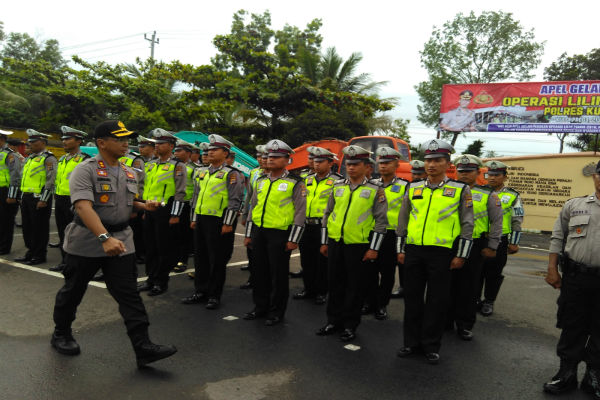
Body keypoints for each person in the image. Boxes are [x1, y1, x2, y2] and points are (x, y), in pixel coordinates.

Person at [50, 119, 177, 367]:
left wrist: (143, 205)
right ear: (101, 143)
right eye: (119, 139)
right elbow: (83, 207)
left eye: (126, 138)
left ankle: (143, 347)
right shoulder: (85, 170)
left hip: (121, 241)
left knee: (129, 295)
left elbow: (128, 202)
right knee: (73, 290)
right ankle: (61, 333)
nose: (125, 143)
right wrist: (104, 238)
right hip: (87, 241)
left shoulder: (129, 171)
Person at [396, 139, 473, 365]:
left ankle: (430, 345)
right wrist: (401, 249)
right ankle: (410, 343)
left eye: (437, 160)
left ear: (447, 163)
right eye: (428, 160)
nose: (431, 165)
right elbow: (403, 221)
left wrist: (462, 255)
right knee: (412, 299)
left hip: (442, 253)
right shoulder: (413, 187)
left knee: (437, 302)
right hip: (414, 251)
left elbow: (467, 224)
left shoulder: (460, 189)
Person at [316, 145, 387, 342]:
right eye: (349, 164)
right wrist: (325, 242)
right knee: (335, 284)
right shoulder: (337, 186)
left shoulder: (376, 190)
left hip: (359, 245)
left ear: (367, 167)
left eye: (356, 164)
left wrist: (374, 248)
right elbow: (327, 214)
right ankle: (333, 321)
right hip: (336, 242)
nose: (351, 167)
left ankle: (349, 325)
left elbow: (381, 221)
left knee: (355, 288)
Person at [543, 160, 600, 397]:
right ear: (595, 177)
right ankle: (566, 374)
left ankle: (593, 376)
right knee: (572, 325)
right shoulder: (574, 205)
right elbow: (558, 238)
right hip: (576, 278)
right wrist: (552, 268)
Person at [243, 139, 306, 326]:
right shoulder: (260, 181)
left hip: (280, 234)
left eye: (276, 157)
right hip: (259, 232)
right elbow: (253, 208)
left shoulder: (295, 182)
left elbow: (300, 212)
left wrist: (294, 239)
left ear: (287, 160)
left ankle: (277, 311)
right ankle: (260, 307)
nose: (270, 160)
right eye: (269, 156)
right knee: (259, 271)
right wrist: (248, 234)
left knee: (278, 275)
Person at [182, 134, 243, 309]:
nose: (210, 152)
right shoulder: (201, 171)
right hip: (201, 219)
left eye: (215, 150)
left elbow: (235, 200)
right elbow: (195, 196)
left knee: (217, 259)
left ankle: (214, 295)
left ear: (225, 153)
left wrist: (228, 223)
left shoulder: (232, 174)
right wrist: (194, 218)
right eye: (209, 150)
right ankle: (200, 291)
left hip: (219, 220)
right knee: (200, 258)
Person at [447, 154, 502, 341]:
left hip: (474, 245)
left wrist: (492, 245)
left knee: (469, 287)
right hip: (448, 244)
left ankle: (464, 324)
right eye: (460, 171)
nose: (463, 174)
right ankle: (445, 321)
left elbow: (496, 222)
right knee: (446, 285)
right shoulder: (447, 190)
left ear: (478, 172)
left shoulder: (488, 194)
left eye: (468, 171)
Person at [136, 128, 186, 296]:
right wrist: (144, 209)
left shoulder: (177, 166)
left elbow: (180, 192)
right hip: (149, 210)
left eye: (161, 143)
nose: (157, 146)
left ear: (171, 146)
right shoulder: (150, 165)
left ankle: (161, 282)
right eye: (156, 143)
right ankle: (150, 279)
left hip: (165, 210)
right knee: (150, 247)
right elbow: (146, 188)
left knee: (163, 247)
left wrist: (175, 215)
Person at [362, 147, 408, 320]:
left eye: (387, 163)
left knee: (387, 272)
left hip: (391, 235)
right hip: (372, 232)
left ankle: (382, 304)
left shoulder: (404, 186)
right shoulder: (372, 184)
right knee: (369, 270)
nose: (383, 166)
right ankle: (369, 302)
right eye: (381, 163)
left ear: (396, 164)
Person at [294, 146, 342, 305]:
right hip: (306, 224)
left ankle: (322, 291)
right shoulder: (305, 179)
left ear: (330, 163)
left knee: (322, 260)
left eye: (321, 161)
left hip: (323, 225)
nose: (317, 164)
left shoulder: (337, 180)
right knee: (306, 259)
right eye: (315, 161)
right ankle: (309, 288)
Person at [478, 160, 524, 316]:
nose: (491, 178)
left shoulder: (512, 195)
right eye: (489, 174)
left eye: (496, 175)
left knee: (494, 272)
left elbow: (517, 220)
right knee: (475, 271)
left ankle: (489, 301)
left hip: (500, 240)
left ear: (505, 177)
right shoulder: (479, 192)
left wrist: (514, 242)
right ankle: (474, 299)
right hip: (479, 238)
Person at [50, 126, 91, 272]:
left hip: (76, 200)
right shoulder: (62, 159)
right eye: (63, 139)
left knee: (76, 233)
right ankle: (65, 262)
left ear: (79, 141)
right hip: (60, 198)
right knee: (63, 232)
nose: (64, 142)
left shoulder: (85, 159)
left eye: (68, 139)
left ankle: (76, 264)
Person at [15, 129, 57, 265]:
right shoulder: (30, 158)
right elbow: (24, 178)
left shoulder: (48, 158)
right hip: (27, 197)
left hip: (39, 198)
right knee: (27, 227)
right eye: (30, 142)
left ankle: (39, 255)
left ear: (43, 143)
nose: (30, 144)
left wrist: (44, 199)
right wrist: (21, 195)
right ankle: (30, 251)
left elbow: (51, 180)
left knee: (39, 228)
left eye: (33, 142)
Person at [239, 145, 268, 289]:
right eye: (259, 157)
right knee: (250, 245)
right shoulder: (253, 172)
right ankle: (253, 273)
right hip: (252, 213)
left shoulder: (271, 174)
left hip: (266, 217)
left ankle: (260, 276)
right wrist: (245, 214)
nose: (261, 159)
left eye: (264, 157)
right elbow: (249, 195)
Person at [172, 139, 198, 273]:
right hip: (172, 202)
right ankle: (173, 257)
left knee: (184, 233)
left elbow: (196, 189)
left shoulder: (194, 169)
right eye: (175, 150)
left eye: (179, 150)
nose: (175, 153)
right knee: (172, 233)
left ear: (188, 153)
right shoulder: (172, 165)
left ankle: (182, 260)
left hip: (186, 204)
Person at [0, 129, 22, 255]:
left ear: (2, 140)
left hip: (6, 191)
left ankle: (4, 247)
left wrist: (12, 195)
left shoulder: (10, 155)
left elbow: (15, 176)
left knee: (6, 221)